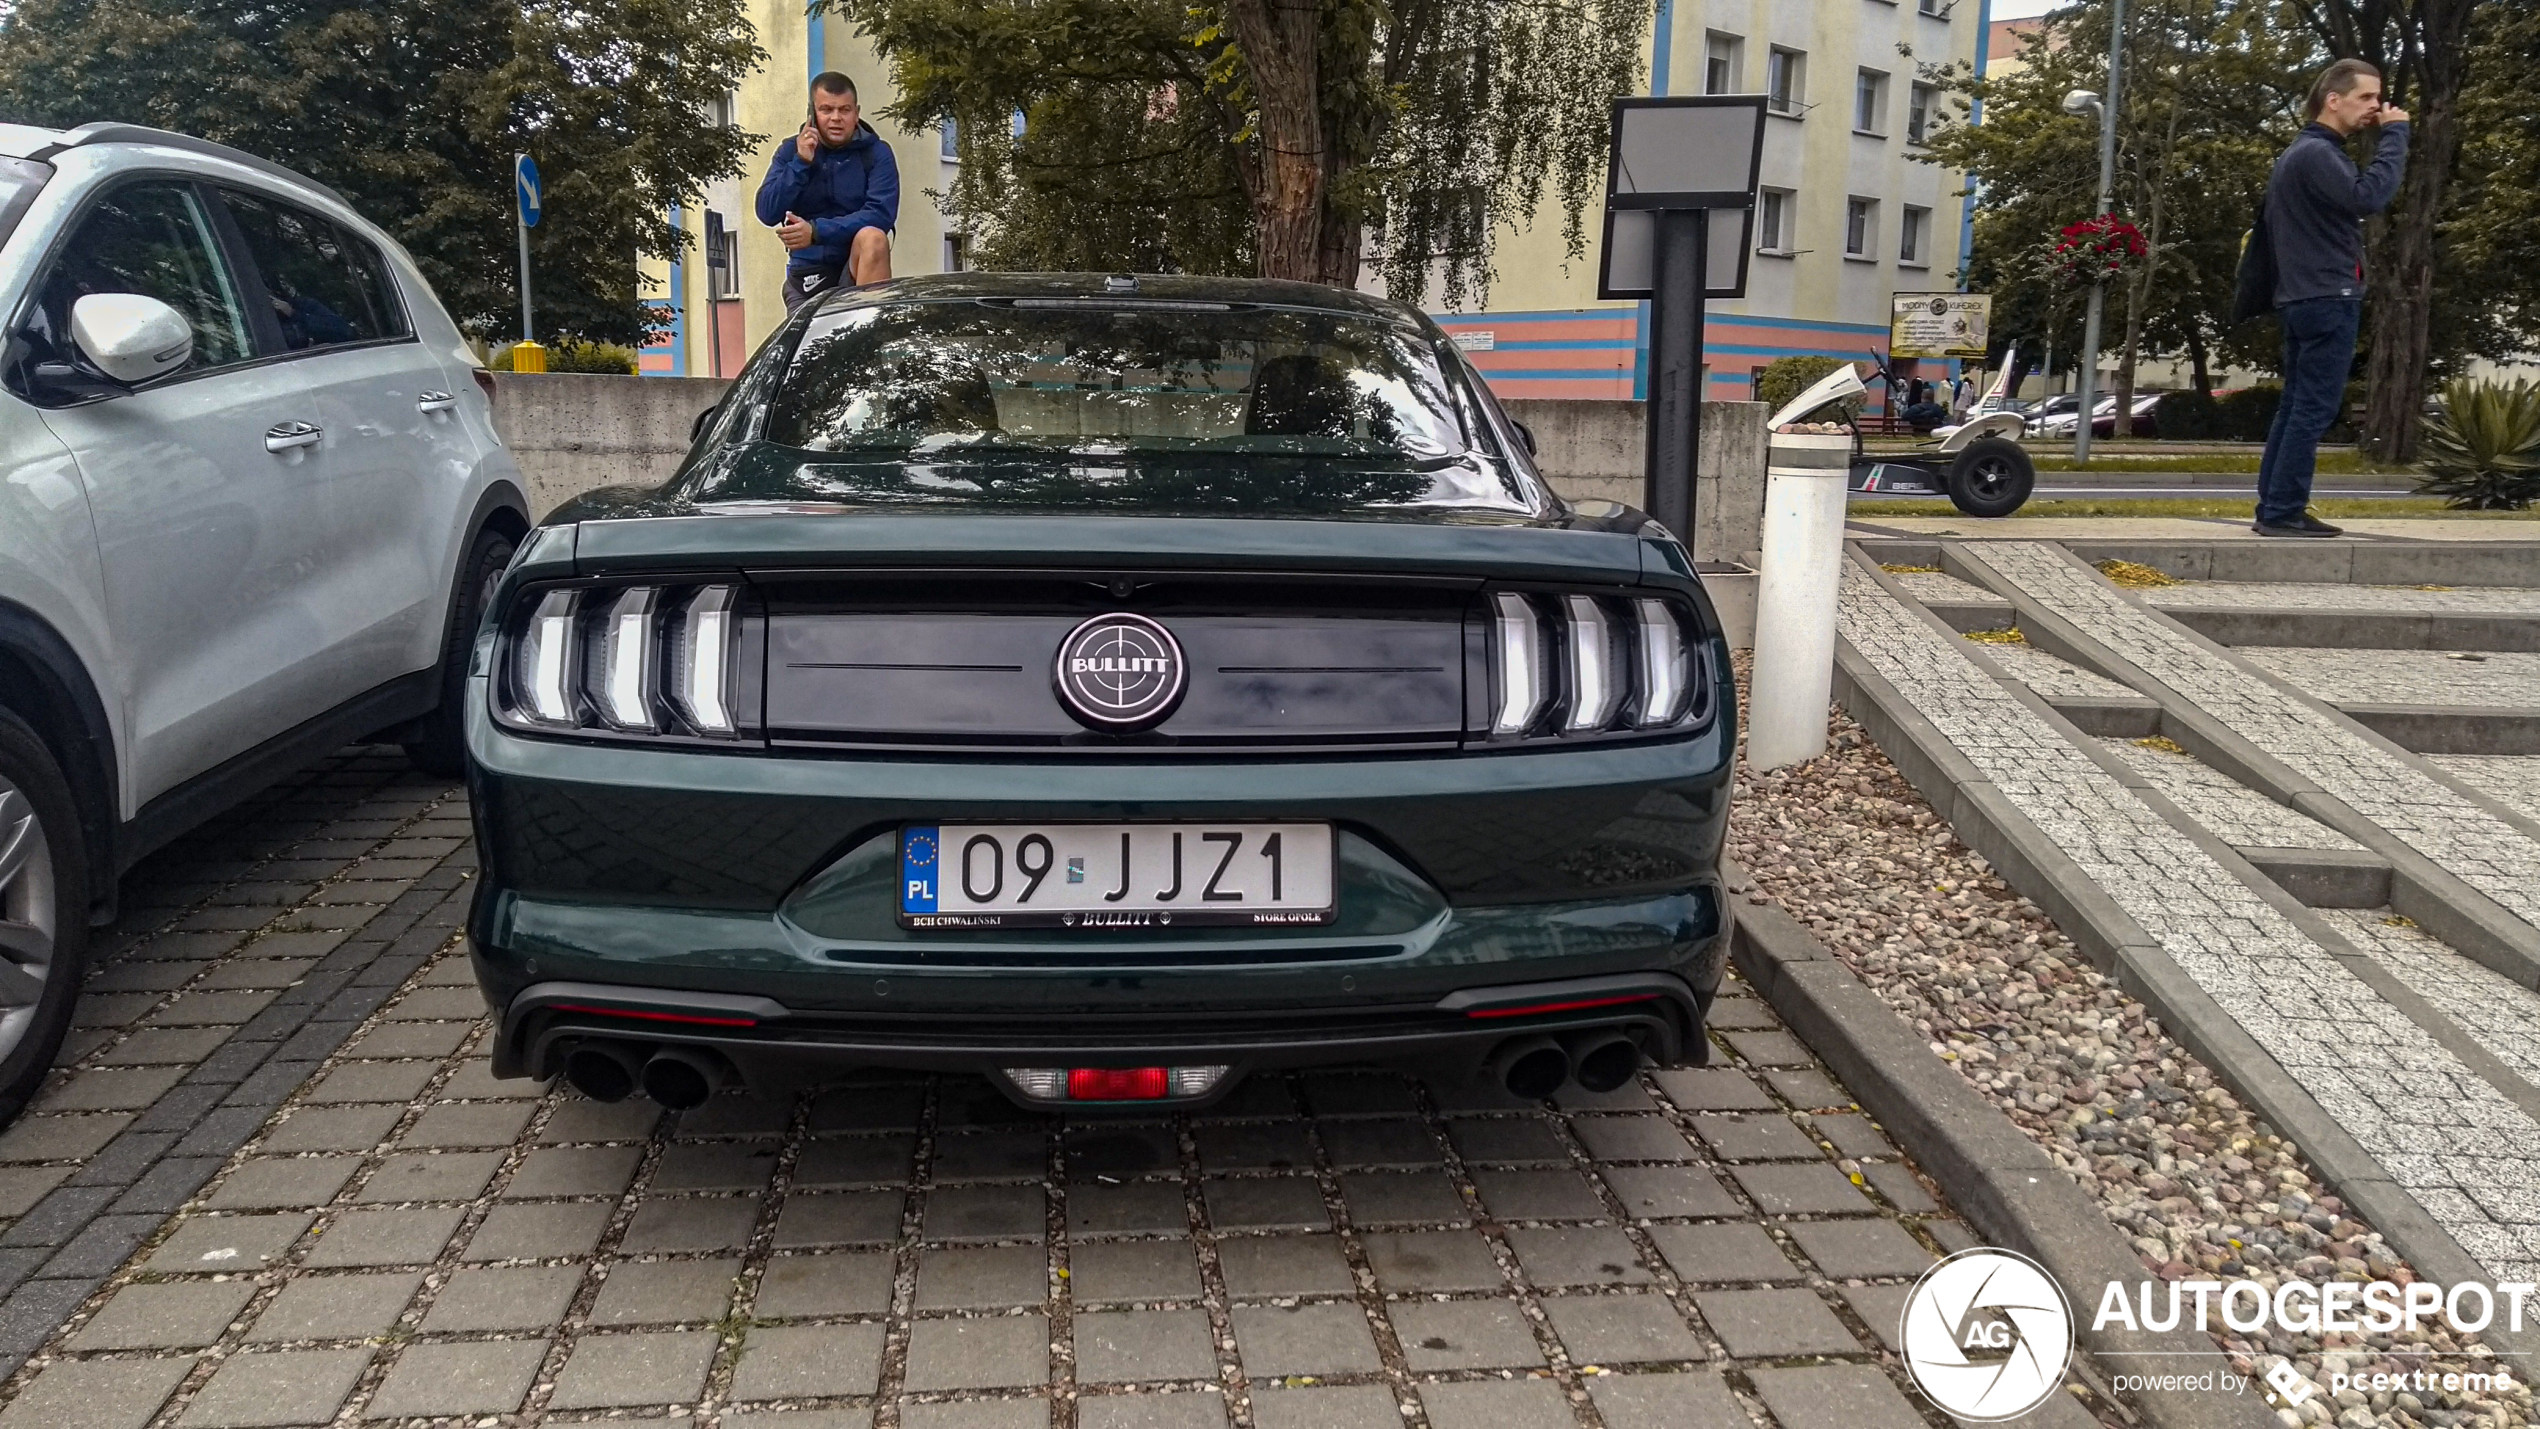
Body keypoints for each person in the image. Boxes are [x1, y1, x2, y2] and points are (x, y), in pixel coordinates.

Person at [2250, 58, 2408, 538]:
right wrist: (2396, 136)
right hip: (2326, 295)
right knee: (2313, 409)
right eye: (2365, 98)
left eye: (2378, 100)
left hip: (2303, 296)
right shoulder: (2317, 154)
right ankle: (2281, 512)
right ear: (2332, 100)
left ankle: (2277, 507)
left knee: (2297, 406)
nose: (2376, 108)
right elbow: (2368, 196)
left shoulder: (2304, 153)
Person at [756, 71, 900, 313]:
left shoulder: (877, 153)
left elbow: (881, 215)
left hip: (855, 270)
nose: (836, 118)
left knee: (874, 238)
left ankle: (869, 337)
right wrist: (801, 163)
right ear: (812, 113)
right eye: (826, 110)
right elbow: (767, 212)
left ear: (857, 113)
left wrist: (815, 231)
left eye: (844, 110)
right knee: (807, 350)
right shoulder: (790, 151)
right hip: (807, 277)